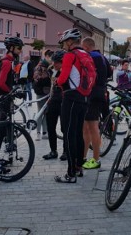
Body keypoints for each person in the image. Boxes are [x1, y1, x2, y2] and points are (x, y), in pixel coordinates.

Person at [55, 28, 90, 183]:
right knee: (78, 134)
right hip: (83, 97)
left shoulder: (70, 55)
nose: (63, 45)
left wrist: (56, 81)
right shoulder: (85, 54)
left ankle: (70, 174)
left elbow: (63, 78)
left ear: (70, 42)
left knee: (68, 134)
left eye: (64, 42)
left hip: (71, 98)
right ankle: (79, 167)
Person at [0, 36, 23, 174]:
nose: (20, 51)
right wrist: (12, 92)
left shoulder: (8, 61)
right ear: (11, 48)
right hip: (4, 99)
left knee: (1, 130)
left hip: (4, 98)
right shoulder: (7, 63)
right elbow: (0, 83)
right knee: (0, 131)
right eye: (19, 48)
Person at [81, 37, 112, 170]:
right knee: (88, 126)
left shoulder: (91, 56)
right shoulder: (102, 57)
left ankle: (95, 159)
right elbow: (110, 72)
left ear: (87, 47)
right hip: (101, 92)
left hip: (93, 94)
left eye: (83, 48)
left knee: (92, 127)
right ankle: (84, 157)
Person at [42, 50, 65, 161]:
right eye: (53, 62)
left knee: (64, 128)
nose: (54, 64)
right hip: (52, 100)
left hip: (63, 101)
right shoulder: (51, 71)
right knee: (51, 126)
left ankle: (66, 151)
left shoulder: (66, 72)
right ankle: (53, 150)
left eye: (56, 62)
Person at [33, 50, 53, 140]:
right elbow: (36, 78)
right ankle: (38, 133)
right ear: (47, 57)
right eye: (51, 58)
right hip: (41, 92)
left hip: (48, 92)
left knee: (46, 113)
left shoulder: (49, 66)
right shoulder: (41, 66)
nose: (52, 60)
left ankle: (45, 132)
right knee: (40, 112)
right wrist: (47, 77)